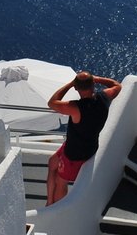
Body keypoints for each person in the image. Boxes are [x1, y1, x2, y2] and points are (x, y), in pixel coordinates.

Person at [44, 70, 121, 205]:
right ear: (93, 84)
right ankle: (49, 201)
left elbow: (52, 102)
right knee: (52, 162)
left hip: (74, 156)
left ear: (76, 88)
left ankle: (55, 208)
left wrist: (70, 85)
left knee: (60, 182)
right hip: (86, 147)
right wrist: (97, 78)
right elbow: (117, 85)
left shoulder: (76, 108)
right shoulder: (104, 98)